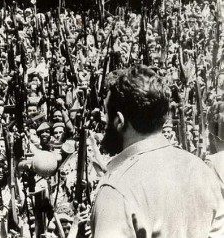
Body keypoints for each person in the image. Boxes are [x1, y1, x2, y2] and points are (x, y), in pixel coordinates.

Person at [91, 65, 224, 237]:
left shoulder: (117, 189)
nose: (104, 122)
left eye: (107, 115)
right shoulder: (201, 171)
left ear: (119, 121)